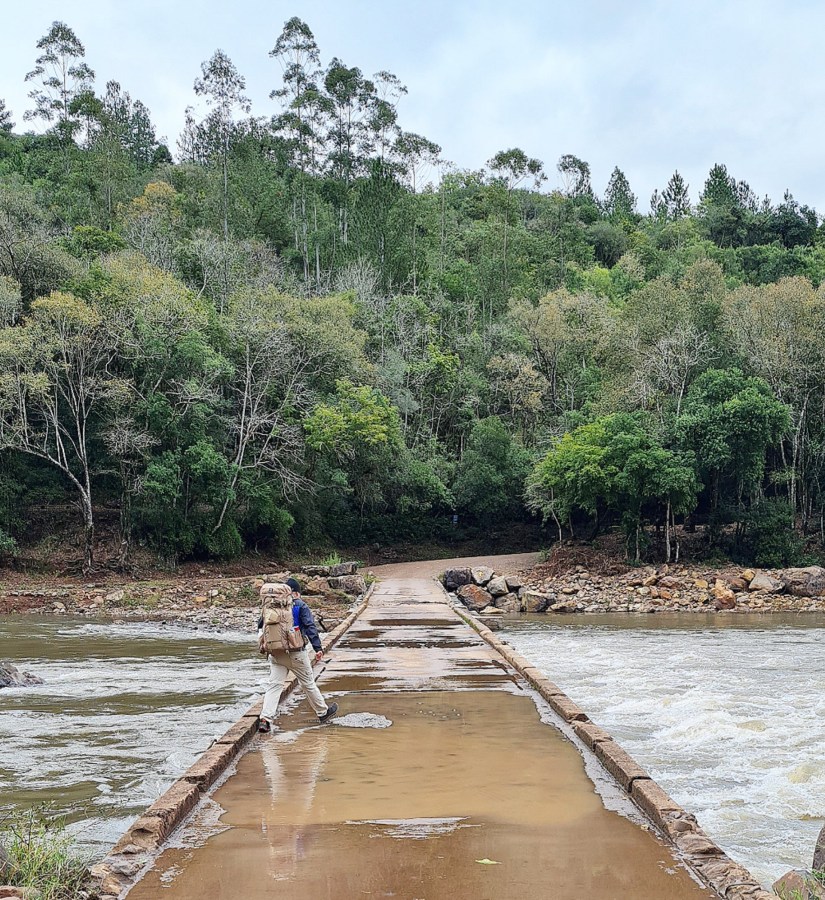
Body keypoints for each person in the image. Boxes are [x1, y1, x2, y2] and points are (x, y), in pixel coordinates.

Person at [257, 577, 339, 732]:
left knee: (274, 686)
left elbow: (260, 625)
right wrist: (318, 648)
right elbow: (309, 626)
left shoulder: (270, 606)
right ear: (294, 593)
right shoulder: (300, 605)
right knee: (308, 683)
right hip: (296, 653)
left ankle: (265, 719)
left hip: (276, 653)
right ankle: (323, 712)